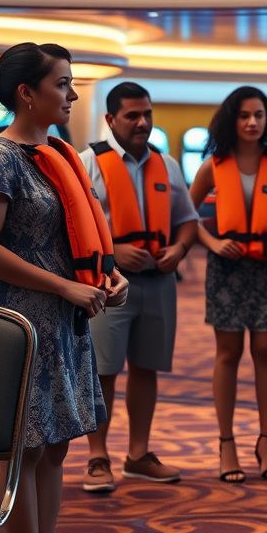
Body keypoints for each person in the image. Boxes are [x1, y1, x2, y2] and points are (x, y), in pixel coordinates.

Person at [0, 42, 129, 533]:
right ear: (26, 94)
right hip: (19, 319)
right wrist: (63, 286)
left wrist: (108, 273)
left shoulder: (57, 153)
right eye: (62, 84)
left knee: (54, 446)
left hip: (65, 315)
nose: (73, 94)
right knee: (25, 450)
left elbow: (75, 235)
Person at [79, 82, 199, 492]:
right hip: (109, 285)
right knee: (104, 370)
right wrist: (114, 250)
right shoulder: (88, 162)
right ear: (111, 119)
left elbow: (187, 219)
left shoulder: (168, 164)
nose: (143, 122)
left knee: (147, 368)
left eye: (147, 113)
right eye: (132, 115)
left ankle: (138, 455)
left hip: (159, 282)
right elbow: (75, 228)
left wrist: (180, 250)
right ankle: (97, 457)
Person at [189, 85, 267, 483]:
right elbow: (186, 216)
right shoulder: (214, 164)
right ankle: (226, 442)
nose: (252, 122)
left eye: (259, 115)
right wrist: (213, 242)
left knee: (266, 350)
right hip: (226, 270)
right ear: (232, 120)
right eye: (244, 115)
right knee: (228, 353)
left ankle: (266, 441)